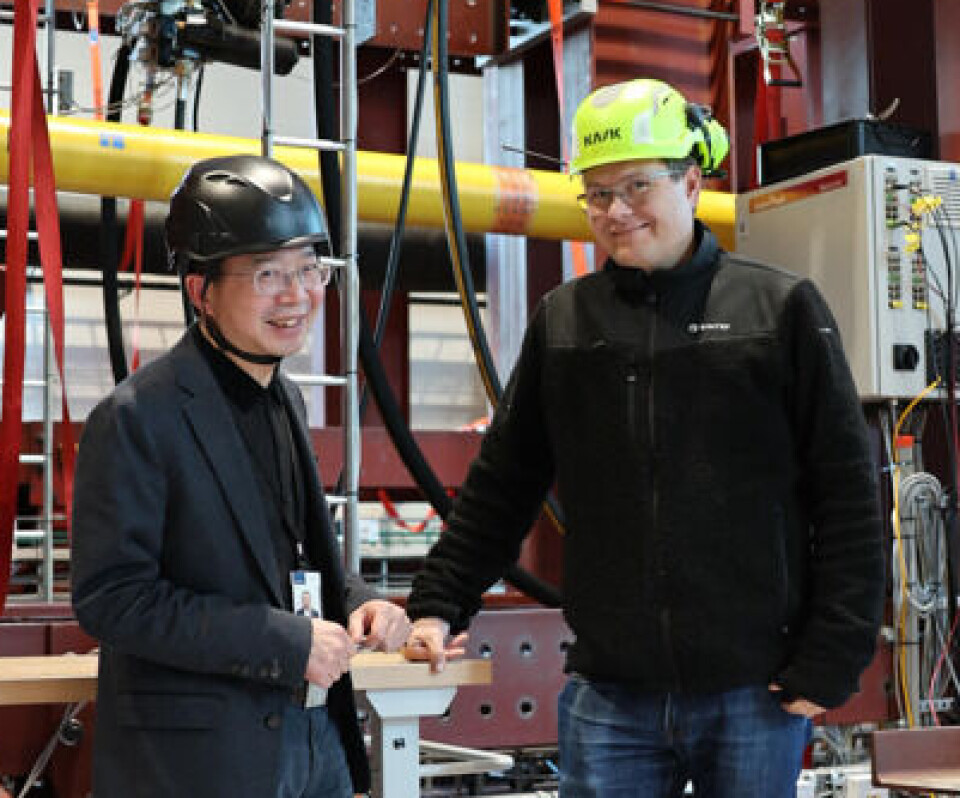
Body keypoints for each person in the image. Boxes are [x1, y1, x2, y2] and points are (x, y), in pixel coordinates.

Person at [403, 78, 883, 797]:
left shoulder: (778, 310)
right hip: (611, 696)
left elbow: (847, 495)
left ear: (691, 182)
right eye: (596, 194)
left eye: (636, 186)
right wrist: (439, 605)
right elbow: (502, 484)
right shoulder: (566, 321)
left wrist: (833, 658)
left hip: (756, 692)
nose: (616, 211)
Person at [71, 154, 411, 798]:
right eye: (267, 273)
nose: (297, 295)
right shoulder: (137, 418)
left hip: (317, 738)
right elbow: (112, 598)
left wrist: (361, 601)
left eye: (310, 270)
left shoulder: (285, 399)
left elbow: (290, 556)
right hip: (206, 761)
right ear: (200, 290)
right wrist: (284, 641)